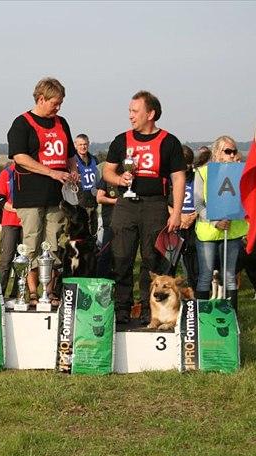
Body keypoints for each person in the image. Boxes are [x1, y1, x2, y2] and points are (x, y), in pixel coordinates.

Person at [102, 90, 186, 326]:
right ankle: (121, 309)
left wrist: (177, 212)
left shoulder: (169, 142)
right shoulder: (121, 140)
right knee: (121, 258)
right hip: (126, 205)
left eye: (134, 111)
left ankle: (151, 311)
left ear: (150, 113)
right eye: (129, 111)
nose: (130, 115)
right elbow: (107, 170)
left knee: (151, 261)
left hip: (155, 206)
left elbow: (178, 179)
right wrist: (120, 180)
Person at [6, 77, 78, 306]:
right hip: (30, 194)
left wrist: (73, 170)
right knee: (32, 243)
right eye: (55, 103)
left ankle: (50, 291)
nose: (58, 108)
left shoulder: (62, 122)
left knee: (53, 243)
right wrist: (51, 172)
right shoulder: (22, 123)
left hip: (56, 195)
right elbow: (20, 157)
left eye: (61, 104)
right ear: (41, 99)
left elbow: (70, 154)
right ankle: (32, 292)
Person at [193, 136, 248, 310]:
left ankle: (232, 317)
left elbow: (244, 201)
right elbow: (198, 203)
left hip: (232, 230)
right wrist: (215, 221)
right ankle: (201, 316)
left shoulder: (240, 173)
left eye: (234, 151)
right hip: (207, 231)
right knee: (205, 275)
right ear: (217, 152)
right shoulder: (203, 172)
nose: (232, 155)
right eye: (228, 151)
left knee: (229, 275)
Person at [0, 162, 22, 298]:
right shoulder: (7, 173)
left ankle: (18, 295)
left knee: (24, 261)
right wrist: (19, 210)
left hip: (29, 224)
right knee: (6, 259)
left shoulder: (34, 172)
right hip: (10, 222)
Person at [175, 145, 198, 288]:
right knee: (172, 261)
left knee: (192, 259)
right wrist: (178, 215)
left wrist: (191, 217)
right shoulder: (170, 178)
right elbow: (163, 200)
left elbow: (204, 200)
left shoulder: (197, 178)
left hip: (193, 223)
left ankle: (193, 288)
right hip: (174, 223)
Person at [73, 133, 100, 236]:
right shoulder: (72, 161)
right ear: (75, 145)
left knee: (94, 228)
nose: (83, 147)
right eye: (80, 144)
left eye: (85, 144)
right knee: (81, 229)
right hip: (79, 200)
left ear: (88, 144)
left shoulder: (94, 159)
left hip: (93, 198)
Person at [95, 163, 118, 278]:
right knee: (106, 253)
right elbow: (99, 198)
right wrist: (117, 201)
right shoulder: (107, 176)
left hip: (127, 221)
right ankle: (100, 281)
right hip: (110, 220)